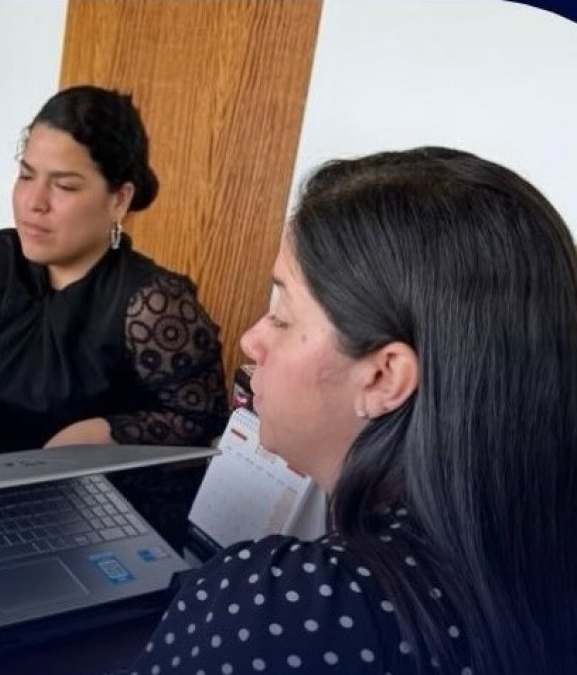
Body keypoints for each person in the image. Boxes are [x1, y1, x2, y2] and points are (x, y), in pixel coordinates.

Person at [128, 147, 577, 674]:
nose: (251, 340)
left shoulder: (287, 612)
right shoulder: (536, 564)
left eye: (282, 315)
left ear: (384, 377)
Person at [0, 85, 229, 540]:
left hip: (98, 525)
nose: (34, 202)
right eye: (26, 175)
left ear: (119, 200)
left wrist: (103, 432)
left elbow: (200, 421)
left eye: (65, 186)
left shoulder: (153, 302)